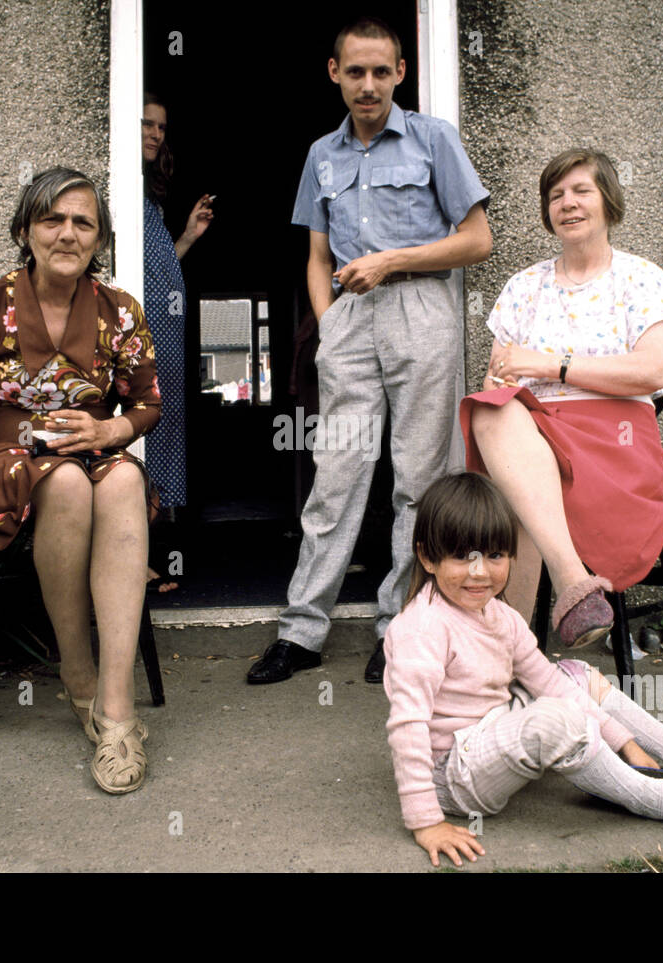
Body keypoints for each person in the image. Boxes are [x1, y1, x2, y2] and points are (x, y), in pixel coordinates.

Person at [249, 16, 492, 686]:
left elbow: (478, 239)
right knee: (337, 474)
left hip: (421, 306)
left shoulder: (432, 139)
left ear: (401, 72)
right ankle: (302, 630)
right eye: (355, 71)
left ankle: (399, 629)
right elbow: (316, 256)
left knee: (419, 477)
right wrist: (329, 325)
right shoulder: (320, 155)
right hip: (351, 319)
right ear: (335, 74)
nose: (368, 84)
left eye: (381, 71)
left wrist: (393, 261)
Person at [0, 167, 162, 796]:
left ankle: (118, 709)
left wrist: (111, 433)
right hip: (5, 455)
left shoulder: (118, 309)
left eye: (83, 222)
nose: (68, 233)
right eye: (53, 219)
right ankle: (78, 678)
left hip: (90, 447)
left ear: (98, 238)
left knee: (125, 481)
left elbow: (148, 403)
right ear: (26, 230)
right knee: (68, 485)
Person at [384, 473, 663, 868]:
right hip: (455, 773)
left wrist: (625, 741)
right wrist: (426, 821)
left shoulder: (500, 615)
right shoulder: (422, 628)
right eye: (462, 556)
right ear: (428, 557)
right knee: (556, 719)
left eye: (494, 556)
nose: (480, 572)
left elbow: (549, 682)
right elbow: (408, 725)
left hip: (493, 728)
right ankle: (650, 795)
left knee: (573, 676)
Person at [461, 148, 663, 647]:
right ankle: (571, 584)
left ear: (608, 201)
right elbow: (495, 381)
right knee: (490, 412)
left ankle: (508, 658)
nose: (568, 203)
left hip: (617, 441)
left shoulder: (640, 278)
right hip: (535, 433)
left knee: (517, 493)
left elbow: (656, 369)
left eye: (581, 191)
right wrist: (506, 384)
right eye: (556, 195)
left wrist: (552, 366)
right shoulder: (524, 287)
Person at [141, 92, 213, 590]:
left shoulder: (149, 198)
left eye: (161, 127)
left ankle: (149, 559)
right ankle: (136, 560)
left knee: (162, 434)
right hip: (141, 337)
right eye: (146, 124)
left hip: (164, 337)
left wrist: (186, 237)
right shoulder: (125, 191)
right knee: (140, 436)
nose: (154, 133)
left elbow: (160, 269)